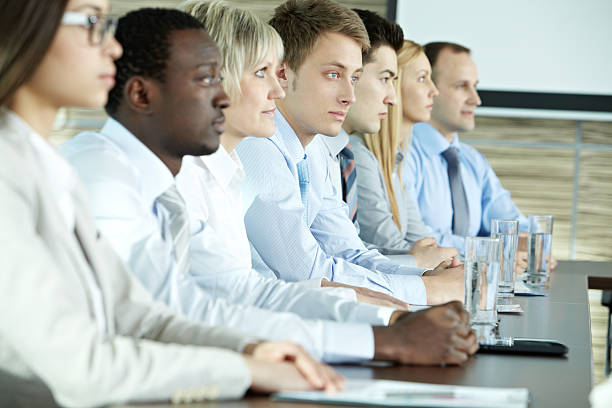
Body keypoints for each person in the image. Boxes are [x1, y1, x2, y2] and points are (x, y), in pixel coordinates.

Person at [63, 3, 476, 366]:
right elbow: (178, 315)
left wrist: (385, 321)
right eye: (211, 79)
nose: (274, 92)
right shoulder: (109, 173)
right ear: (141, 93)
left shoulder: (218, 175)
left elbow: (239, 291)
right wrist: (382, 335)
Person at [0, 1, 341, 406]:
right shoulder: (26, 170)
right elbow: (81, 367)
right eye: (92, 22)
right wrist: (243, 369)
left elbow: (137, 314)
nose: (112, 48)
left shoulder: (50, 166)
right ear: (22, 26)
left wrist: (248, 347)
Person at [236, 0, 466, 307]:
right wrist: (429, 290)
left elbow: (348, 252)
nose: (349, 96)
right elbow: (308, 272)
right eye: (333, 75)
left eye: (355, 78)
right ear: (283, 74)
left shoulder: (314, 150)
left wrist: (425, 277)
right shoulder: (256, 145)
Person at [326, 11, 456, 268]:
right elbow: (334, 258)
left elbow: (347, 251)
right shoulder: (354, 155)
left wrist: (428, 260)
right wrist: (416, 263)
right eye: (386, 79)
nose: (392, 96)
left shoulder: (347, 154)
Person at [404, 42, 529, 255]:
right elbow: (415, 238)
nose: (476, 99)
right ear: (429, 89)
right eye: (462, 86)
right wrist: (491, 250)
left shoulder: (473, 160)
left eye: (475, 86)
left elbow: (512, 223)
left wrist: (529, 242)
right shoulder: (404, 154)